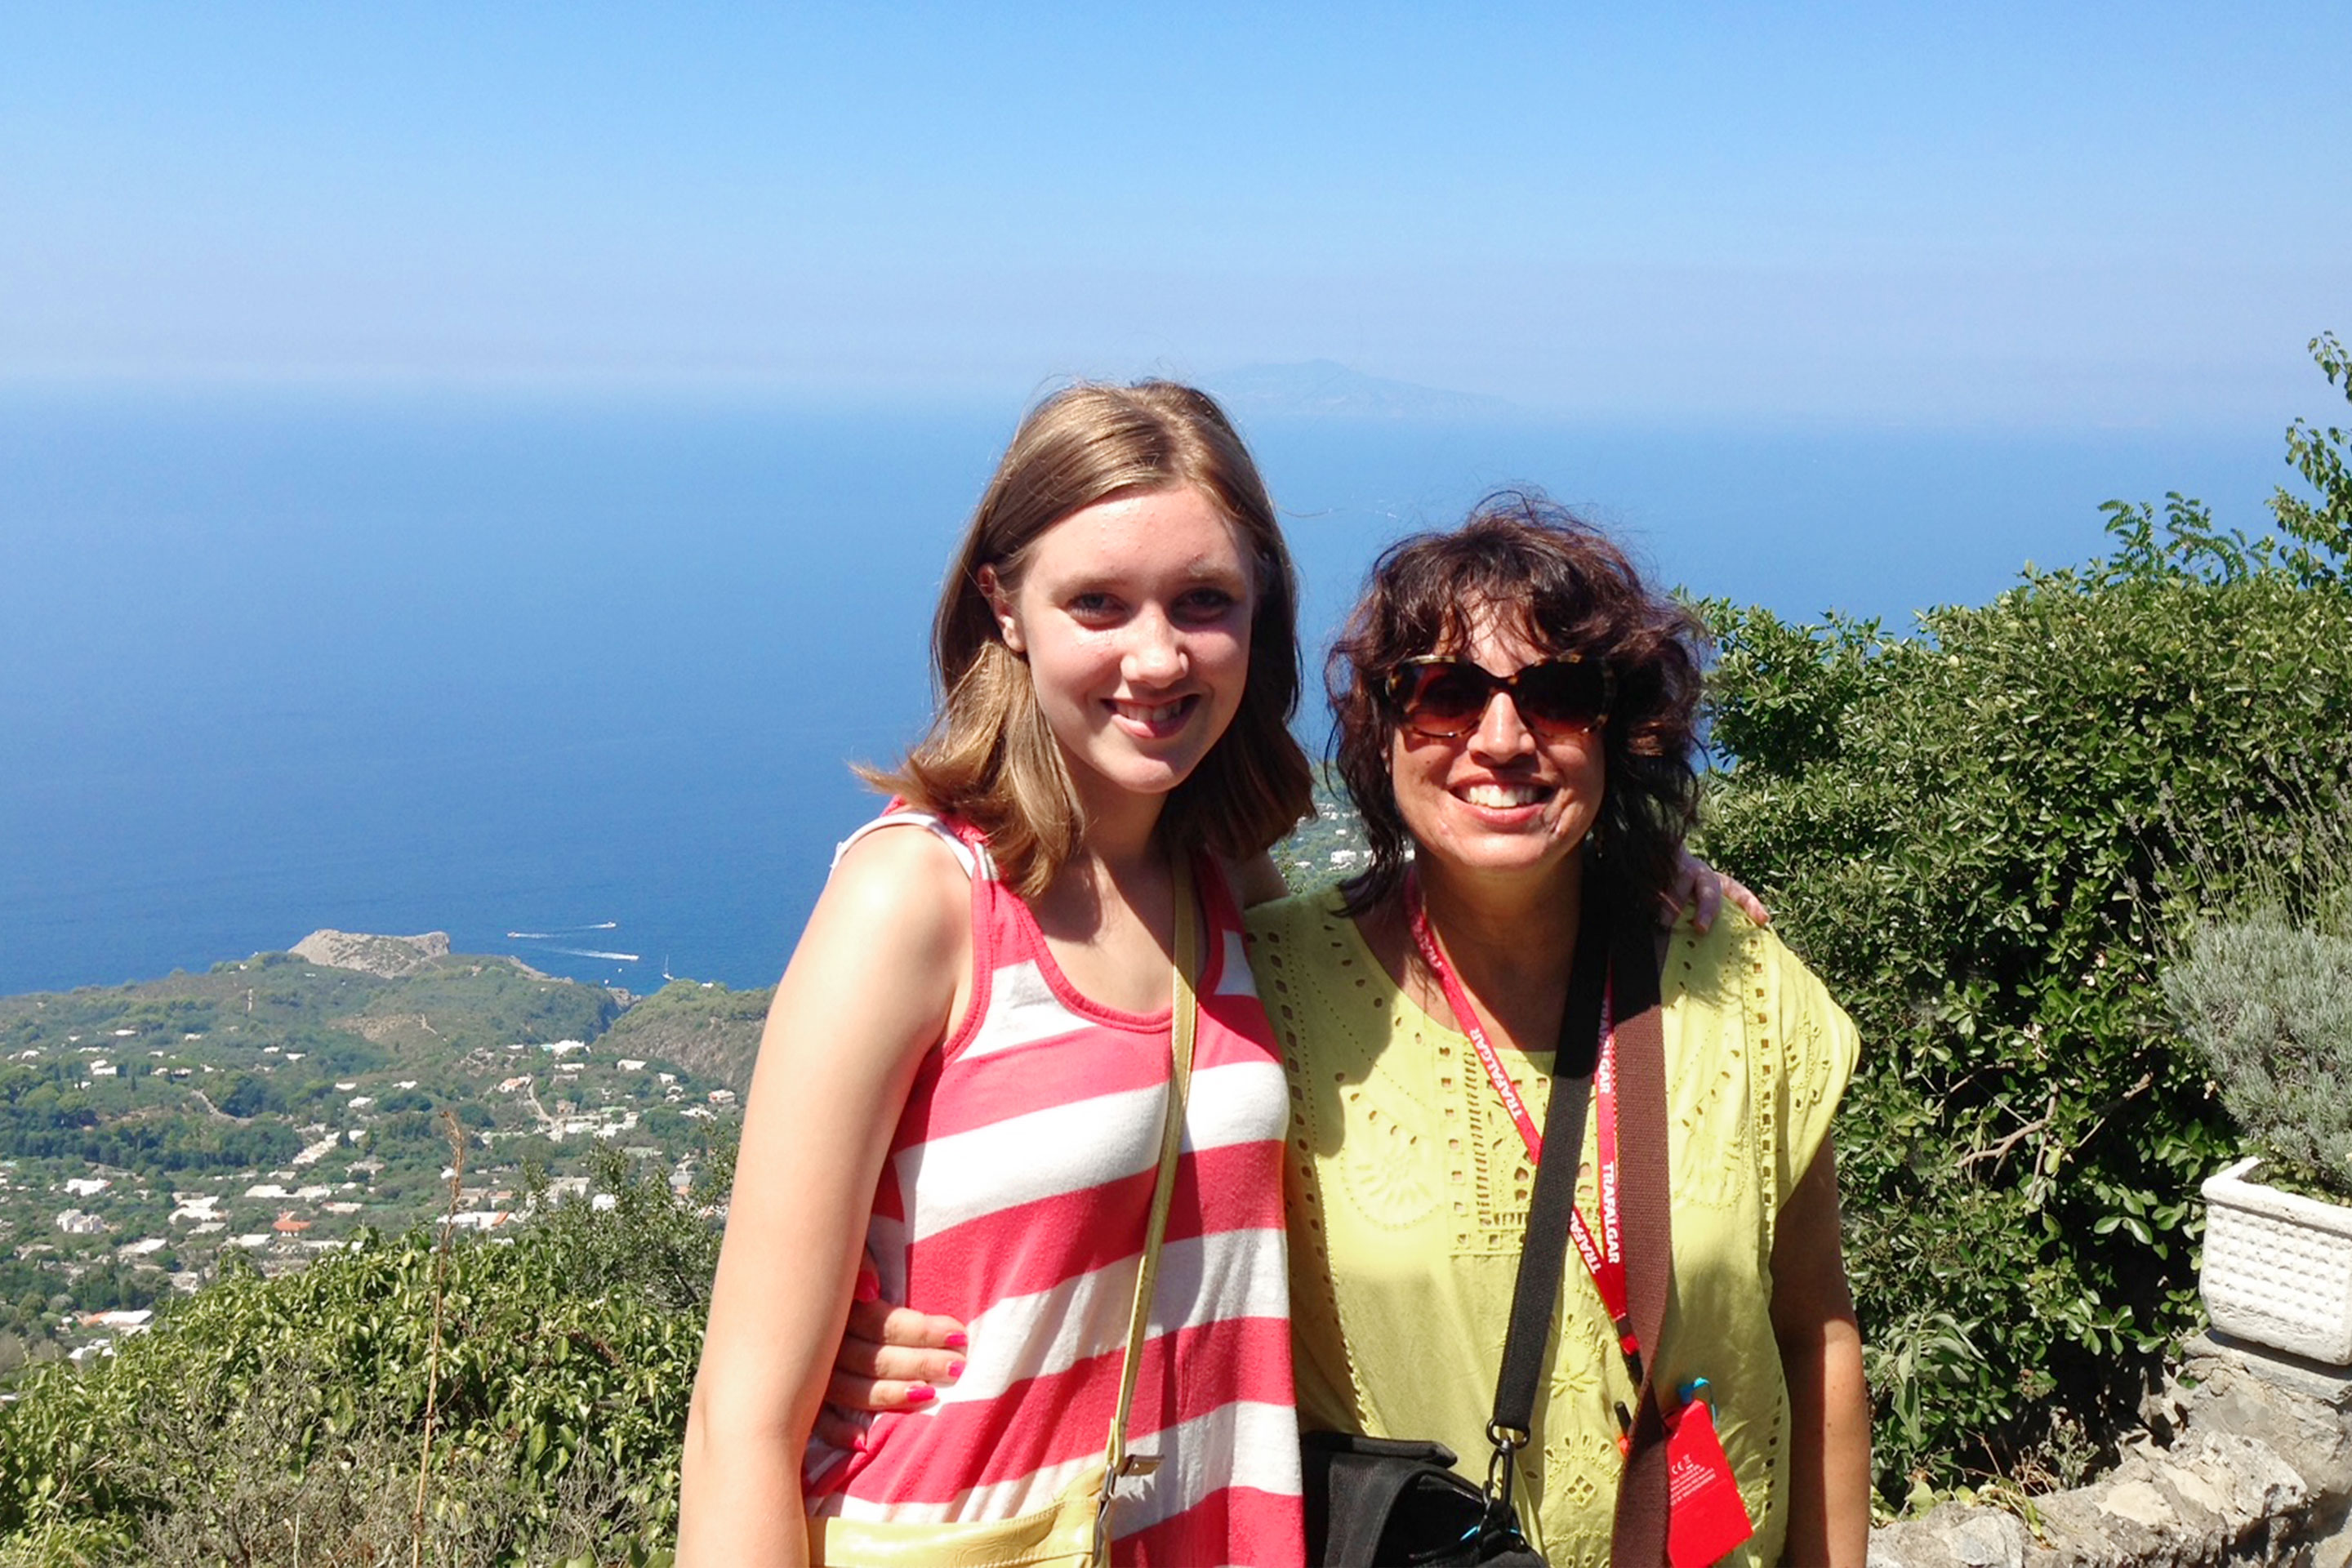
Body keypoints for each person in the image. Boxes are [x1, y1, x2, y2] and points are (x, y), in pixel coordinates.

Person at [840, 495, 1871, 1566]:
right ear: (1382, 736)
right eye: (1446, 696)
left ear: (1618, 728)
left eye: (1560, 696)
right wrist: (872, 1337)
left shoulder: (1738, 987)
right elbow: (1093, 1220)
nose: (1503, 738)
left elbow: (1816, 1331)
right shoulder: (1264, 992)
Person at [677, 381, 1316, 1566]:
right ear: (1004, 606)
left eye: (1204, 601)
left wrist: (1670, 899)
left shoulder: (1236, 887)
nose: (1157, 655)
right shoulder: (916, 904)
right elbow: (740, 1426)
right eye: (1098, 604)